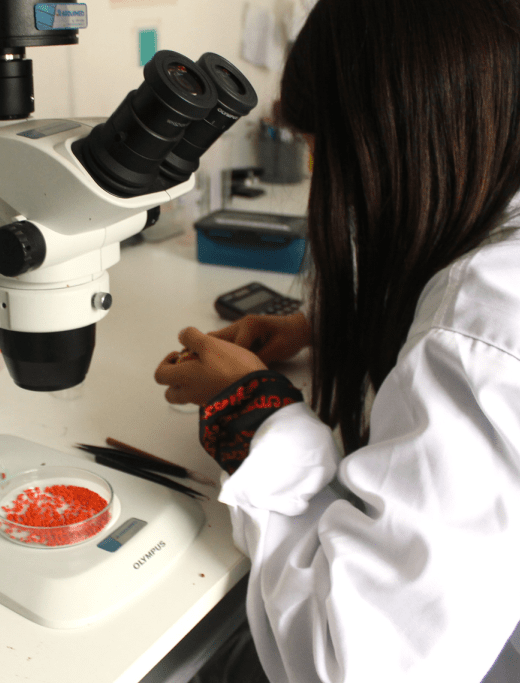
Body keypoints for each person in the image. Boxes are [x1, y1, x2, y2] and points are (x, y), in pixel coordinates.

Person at [155, 0, 520, 681]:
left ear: (396, 138)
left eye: (321, 149)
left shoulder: (481, 321)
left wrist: (252, 406)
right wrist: (324, 327)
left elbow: (356, 664)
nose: (322, 177)